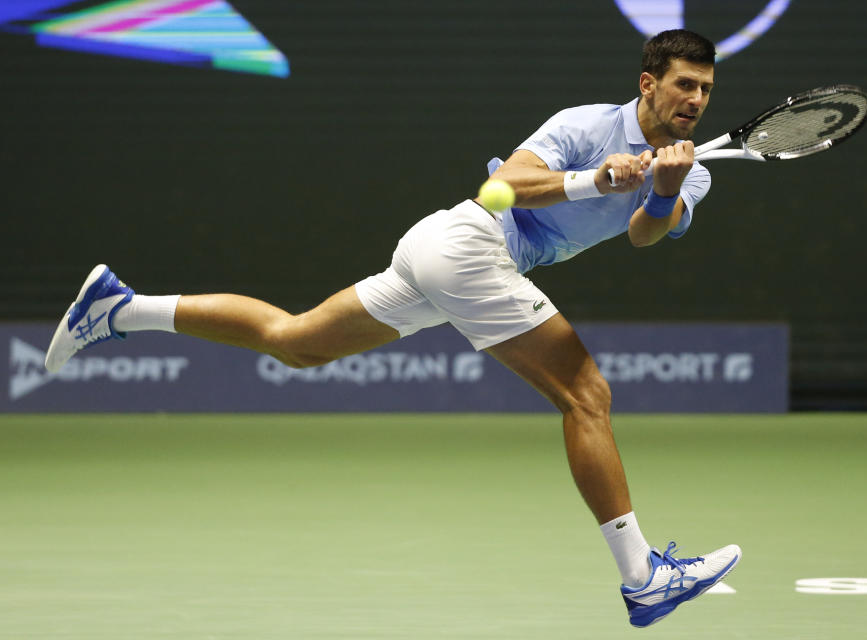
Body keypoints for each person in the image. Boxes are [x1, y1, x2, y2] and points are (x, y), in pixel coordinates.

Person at [45, 29, 740, 628]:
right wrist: (597, 178)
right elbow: (504, 189)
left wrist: (663, 185)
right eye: (685, 85)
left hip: (454, 262)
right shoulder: (585, 125)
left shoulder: (694, 169)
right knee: (587, 396)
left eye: (706, 90)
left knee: (296, 342)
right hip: (468, 242)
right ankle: (643, 578)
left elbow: (648, 235)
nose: (696, 101)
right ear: (648, 84)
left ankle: (119, 308)